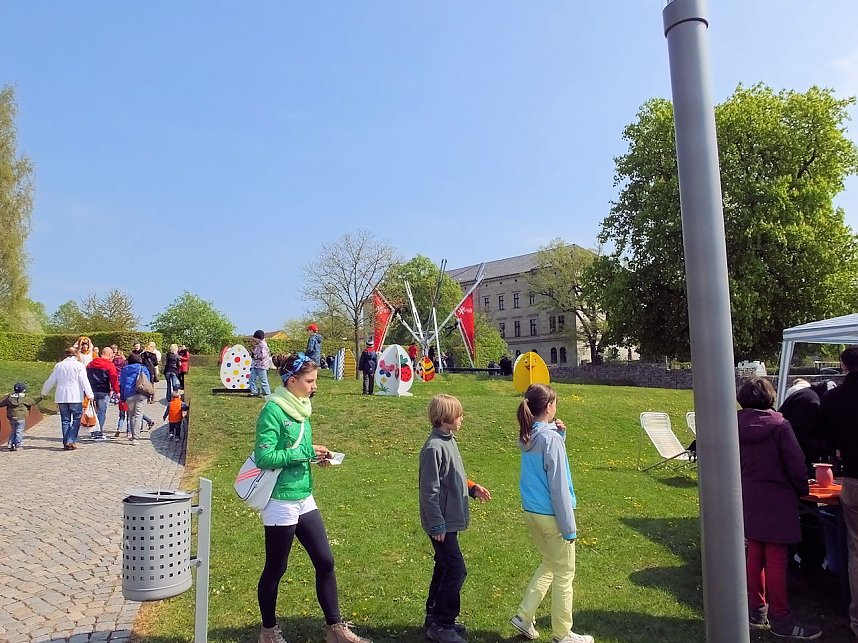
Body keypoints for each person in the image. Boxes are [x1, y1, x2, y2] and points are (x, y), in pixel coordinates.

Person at [255, 353, 371, 643]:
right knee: (276, 568)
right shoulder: (273, 410)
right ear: (291, 381)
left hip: (303, 495)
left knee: (325, 560)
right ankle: (268, 631)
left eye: (315, 380)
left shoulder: (302, 407)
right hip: (280, 499)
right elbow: (264, 456)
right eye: (310, 381)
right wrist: (303, 454)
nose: (314, 386)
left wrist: (315, 453)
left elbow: (296, 447)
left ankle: (335, 629)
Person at [738, 377, 820, 639]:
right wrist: (803, 488)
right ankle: (781, 618)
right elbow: (796, 463)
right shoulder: (780, 426)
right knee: (775, 559)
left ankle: (756, 609)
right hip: (777, 497)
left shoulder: (732, 425)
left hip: (749, 495)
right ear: (770, 397)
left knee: (755, 554)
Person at [510, 384, 593, 643]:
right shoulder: (549, 438)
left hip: (532, 512)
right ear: (548, 407)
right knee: (565, 573)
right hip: (550, 516)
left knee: (549, 564)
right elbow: (557, 485)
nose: (557, 407)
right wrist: (569, 527)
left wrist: (561, 438)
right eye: (555, 403)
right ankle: (562, 634)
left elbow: (546, 460)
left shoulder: (531, 436)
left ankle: (524, 617)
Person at [419, 394, 491, 643]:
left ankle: (433, 616)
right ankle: (442, 623)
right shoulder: (433, 448)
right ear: (446, 419)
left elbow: (452, 477)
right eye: (459, 414)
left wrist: (471, 487)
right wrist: (437, 523)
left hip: (448, 520)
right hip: (441, 523)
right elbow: (429, 491)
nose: (462, 418)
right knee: (456, 569)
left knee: (444, 565)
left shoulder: (449, 441)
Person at [822, 346, 858, 639]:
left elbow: (830, 438)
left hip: (853, 477)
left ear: (844, 366)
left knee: (856, 550)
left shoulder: (834, 398)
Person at [778, 378, 836, 476]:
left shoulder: (807, 395)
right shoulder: (810, 402)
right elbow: (798, 434)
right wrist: (824, 448)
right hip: (790, 453)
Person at [41, 347, 94, 450]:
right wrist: (90, 395)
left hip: (61, 396)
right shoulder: (79, 366)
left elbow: (51, 380)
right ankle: (70, 440)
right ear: (76, 355)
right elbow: (84, 381)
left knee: (65, 420)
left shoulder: (59, 366)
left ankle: (66, 442)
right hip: (75, 396)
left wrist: (44, 392)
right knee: (76, 419)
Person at [86, 346, 120, 440]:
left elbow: (86, 377)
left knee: (93, 412)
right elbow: (114, 379)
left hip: (92, 391)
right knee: (101, 412)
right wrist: (117, 391)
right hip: (103, 391)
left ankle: (93, 431)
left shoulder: (91, 364)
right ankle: (98, 432)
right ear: (109, 355)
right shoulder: (109, 365)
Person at [119, 352, 152, 446]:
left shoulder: (125, 369)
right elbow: (147, 381)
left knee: (132, 415)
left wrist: (122, 396)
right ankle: (135, 438)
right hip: (141, 394)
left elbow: (122, 383)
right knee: (138, 415)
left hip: (129, 394)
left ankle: (133, 435)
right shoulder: (143, 368)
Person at [0, 382, 42, 451]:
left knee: (13, 430)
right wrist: (40, 397)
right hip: (20, 417)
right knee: (19, 431)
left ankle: (10, 444)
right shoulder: (24, 398)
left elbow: (1, 404)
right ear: (23, 390)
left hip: (11, 416)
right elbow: (32, 402)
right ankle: (18, 445)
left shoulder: (9, 397)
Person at [250, 330, 274, 398]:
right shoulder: (258, 344)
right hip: (256, 365)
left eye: (255, 338)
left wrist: (255, 356)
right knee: (252, 378)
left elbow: (263, 355)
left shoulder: (263, 345)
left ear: (259, 338)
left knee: (263, 380)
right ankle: (254, 392)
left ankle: (267, 393)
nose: (254, 339)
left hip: (262, 366)